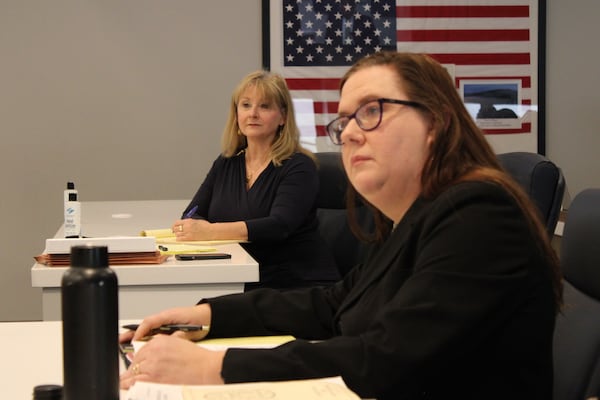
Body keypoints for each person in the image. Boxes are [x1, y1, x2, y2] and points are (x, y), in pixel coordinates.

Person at [120, 52, 562, 399]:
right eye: (344, 121)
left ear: (437, 123)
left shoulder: (480, 215)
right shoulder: (411, 218)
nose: (349, 133)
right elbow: (332, 305)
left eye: (371, 112)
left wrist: (214, 369)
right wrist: (208, 316)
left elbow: (387, 358)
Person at [171, 70, 340, 290]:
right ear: (237, 114)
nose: (253, 114)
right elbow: (192, 213)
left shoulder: (299, 166)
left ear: (283, 117)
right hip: (241, 276)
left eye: (265, 106)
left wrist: (211, 231)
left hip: (296, 284)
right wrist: (193, 227)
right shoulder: (226, 162)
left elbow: (278, 225)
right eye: (246, 105)